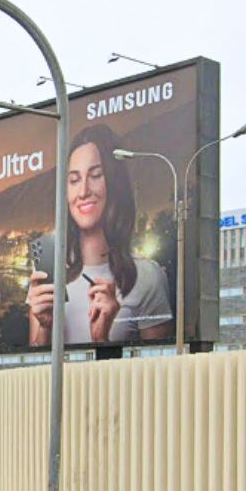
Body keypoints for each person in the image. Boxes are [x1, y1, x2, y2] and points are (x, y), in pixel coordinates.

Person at [26, 123, 174, 346]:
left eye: (95, 175)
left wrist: (101, 340)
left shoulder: (147, 276)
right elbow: (37, 367)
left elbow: (158, 370)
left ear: (114, 183)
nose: (83, 191)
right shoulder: (48, 271)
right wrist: (46, 326)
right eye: (74, 180)